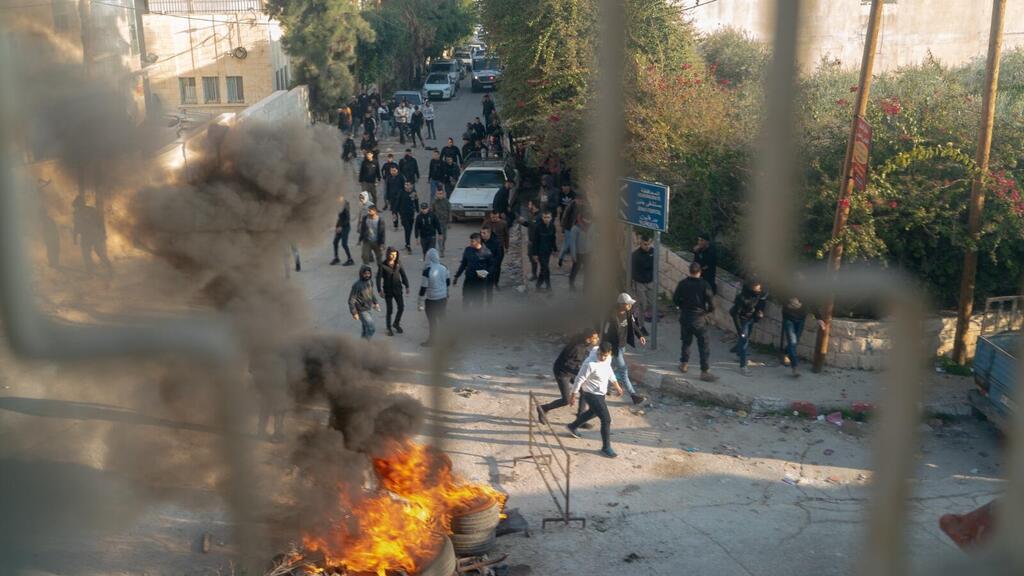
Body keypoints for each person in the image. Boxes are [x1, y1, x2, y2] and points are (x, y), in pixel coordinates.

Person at [565, 342, 624, 459]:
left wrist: (616, 385)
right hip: (590, 393)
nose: (601, 357)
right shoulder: (589, 363)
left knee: (593, 412)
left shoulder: (608, 359)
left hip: (600, 393)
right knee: (606, 419)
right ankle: (606, 448)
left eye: (604, 355)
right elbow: (579, 379)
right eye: (600, 354)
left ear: (609, 354)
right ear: (598, 351)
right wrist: (573, 395)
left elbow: (609, 371)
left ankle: (573, 426)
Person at [537, 328, 600, 424]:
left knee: (584, 390)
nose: (597, 339)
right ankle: (543, 408)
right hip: (562, 372)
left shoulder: (583, 343)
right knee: (566, 400)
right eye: (595, 338)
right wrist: (583, 374)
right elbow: (568, 365)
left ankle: (580, 418)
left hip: (572, 370)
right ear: (588, 339)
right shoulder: (577, 348)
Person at [673, 261, 719, 381]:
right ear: (700, 271)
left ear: (689, 271)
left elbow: (675, 299)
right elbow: (712, 304)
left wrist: (683, 306)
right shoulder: (705, 285)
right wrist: (708, 312)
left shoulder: (682, 283)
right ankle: (704, 371)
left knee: (686, 342)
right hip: (700, 319)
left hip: (685, 317)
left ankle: (684, 364)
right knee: (704, 345)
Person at [601, 293, 648, 405]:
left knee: (609, 366)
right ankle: (633, 395)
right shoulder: (611, 316)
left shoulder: (627, 311)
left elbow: (632, 324)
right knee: (623, 370)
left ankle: (604, 389)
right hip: (613, 347)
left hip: (622, 346)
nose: (630, 306)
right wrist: (606, 348)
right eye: (628, 304)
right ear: (622, 304)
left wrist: (640, 335)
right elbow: (605, 332)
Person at [781, 285, 823, 378]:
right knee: (792, 342)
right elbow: (781, 299)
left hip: (800, 319)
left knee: (795, 342)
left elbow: (812, 304)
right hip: (789, 319)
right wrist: (788, 303)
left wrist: (819, 318)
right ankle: (794, 367)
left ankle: (785, 352)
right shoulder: (787, 290)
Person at [729, 279, 768, 377]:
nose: (759, 289)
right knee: (744, 342)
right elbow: (736, 315)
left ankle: (739, 353)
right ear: (751, 288)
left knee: (745, 340)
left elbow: (762, 300)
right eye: (757, 288)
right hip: (742, 320)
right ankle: (743, 366)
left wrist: (759, 313)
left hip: (750, 319)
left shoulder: (757, 295)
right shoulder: (741, 298)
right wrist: (740, 331)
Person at [252, 351, 288, 443]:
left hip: (265, 388)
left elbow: (252, 370)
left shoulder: (261, 355)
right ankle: (277, 435)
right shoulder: (282, 359)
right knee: (279, 412)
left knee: (264, 410)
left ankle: (260, 433)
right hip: (278, 388)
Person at [72, 194, 112, 276]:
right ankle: (90, 272)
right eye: (77, 205)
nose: (77, 206)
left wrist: (103, 233)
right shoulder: (77, 213)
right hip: (86, 236)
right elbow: (76, 226)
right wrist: (75, 237)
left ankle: (109, 268)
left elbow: (99, 222)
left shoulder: (91, 210)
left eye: (78, 204)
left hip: (94, 235)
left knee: (99, 253)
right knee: (86, 255)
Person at [418, 247, 449, 347]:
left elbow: (423, 287)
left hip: (431, 299)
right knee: (442, 318)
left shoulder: (427, 271)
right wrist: (447, 293)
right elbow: (447, 282)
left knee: (432, 321)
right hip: (443, 298)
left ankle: (432, 340)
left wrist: (420, 302)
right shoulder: (444, 268)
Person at [452, 232, 493, 309]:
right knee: (466, 299)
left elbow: (491, 266)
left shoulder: (486, 252)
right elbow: (463, 264)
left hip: (479, 281)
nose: (470, 243)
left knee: (478, 301)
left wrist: (485, 273)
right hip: (469, 279)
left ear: (478, 241)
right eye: (470, 241)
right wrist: (456, 276)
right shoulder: (468, 250)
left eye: (472, 241)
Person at [376, 247, 409, 337]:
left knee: (401, 307)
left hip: (398, 289)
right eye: (392, 254)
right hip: (388, 290)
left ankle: (396, 323)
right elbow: (378, 278)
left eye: (395, 255)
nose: (394, 256)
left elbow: (403, 274)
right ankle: (388, 327)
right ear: (388, 254)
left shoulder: (398, 263)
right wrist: (379, 290)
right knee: (389, 310)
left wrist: (407, 285)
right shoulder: (382, 265)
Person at [349, 265, 381, 339]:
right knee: (371, 328)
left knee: (365, 329)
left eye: (368, 273)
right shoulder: (357, 285)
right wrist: (354, 313)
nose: (367, 275)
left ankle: (362, 345)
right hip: (362, 311)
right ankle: (366, 346)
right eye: (365, 273)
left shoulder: (370, 282)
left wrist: (376, 303)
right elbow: (351, 300)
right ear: (361, 274)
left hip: (369, 308)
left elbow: (371, 293)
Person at [631, 235, 655, 323]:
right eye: (645, 244)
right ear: (641, 243)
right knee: (642, 304)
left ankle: (648, 316)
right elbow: (632, 270)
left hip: (650, 281)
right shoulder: (635, 255)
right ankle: (641, 325)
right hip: (640, 283)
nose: (647, 246)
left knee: (652, 302)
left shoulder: (653, 251)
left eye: (649, 244)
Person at [531, 210, 557, 291]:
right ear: (542, 218)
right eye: (545, 217)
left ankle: (538, 286)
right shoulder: (538, 227)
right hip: (540, 252)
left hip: (548, 251)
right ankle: (549, 286)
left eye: (548, 217)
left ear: (551, 218)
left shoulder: (552, 226)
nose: (546, 219)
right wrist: (534, 254)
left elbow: (553, 238)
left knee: (543, 269)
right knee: (546, 268)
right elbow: (535, 241)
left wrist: (554, 249)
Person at [567, 215, 593, 291]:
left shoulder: (591, 227)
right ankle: (571, 283)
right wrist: (573, 255)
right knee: (575, 270)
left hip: (588, 253)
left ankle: (586, 287)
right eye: (586, 219)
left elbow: (592, 239)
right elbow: (572, 243)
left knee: (588, 271)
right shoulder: (575, 229)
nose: (588, 222)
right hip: (578, 253)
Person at [518, 199, 542, 281]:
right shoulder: (532, 214)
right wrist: (522, 222)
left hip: (537, 243)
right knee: (531, 257)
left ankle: (542, 278)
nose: (528, 206)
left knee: (538, 259)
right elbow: (530, 225)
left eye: (530, 205)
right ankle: (534, 274)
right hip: (531, 242)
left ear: (534, 206)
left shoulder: (539, 217)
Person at [480, 226, 503, 303]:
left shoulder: (496, 243)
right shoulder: (479, 241)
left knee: (489, 288)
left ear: (489, 233)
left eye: (484, 233)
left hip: (491, 268)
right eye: (481, 233)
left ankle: (489, 304)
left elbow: (499, 256)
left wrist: (493, 267)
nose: (482, 234)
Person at [330, 195, 354, 266]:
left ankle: (350, 259)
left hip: (345, 228)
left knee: (344, 244)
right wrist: (337, 227)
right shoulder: (339, 206)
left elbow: (347, 219)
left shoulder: (345, 207)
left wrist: (341, 227)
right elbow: (339, 219)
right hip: (340, 227)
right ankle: (336, 258)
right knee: (335, 242)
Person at [398, 181, 418, 254]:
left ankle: (407, 243)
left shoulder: (413, 193)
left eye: (408, 184)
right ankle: (408, 245)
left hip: (411, 214)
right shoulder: (401, 192)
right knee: (407, 228)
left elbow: (416, 201)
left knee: (409, 230)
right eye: (405, 184)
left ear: (411, 186)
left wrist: (418, 211)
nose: (406, 186)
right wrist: (395, 212)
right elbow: (397, 202)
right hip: (403, 214)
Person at [431, 185, 451, 257]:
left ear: (443, 194)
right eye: (438, 194)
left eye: (441, 194)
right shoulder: (434, 202)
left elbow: (449, 212)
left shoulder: (446, 202)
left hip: (444, 221)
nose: (440, 195)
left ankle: (442, 246)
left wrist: (449, 222)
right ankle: (441, 250)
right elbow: (432, 212)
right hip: (437, 222)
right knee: (440, 236)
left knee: (444, 237)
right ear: (436, 194)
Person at [384, 165, 407, 229]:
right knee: (394, 212)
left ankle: (403, 222)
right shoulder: (389, 177)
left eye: (394, 170)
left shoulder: (401, 177)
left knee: (401, 212)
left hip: (400, 198)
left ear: (397, 170)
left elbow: (404, 187)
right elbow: (387, 188)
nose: (392, 172)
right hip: (392, 198)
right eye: (391, 171)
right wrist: (387, 198)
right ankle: (395, 225)